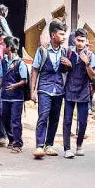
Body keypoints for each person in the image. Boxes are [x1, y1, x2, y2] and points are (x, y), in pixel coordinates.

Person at [30, 20, 70, 159]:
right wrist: (32, 90)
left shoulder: (65, 51)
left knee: (54, 118)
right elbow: (34, 70)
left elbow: (70, 71)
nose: (64, 37)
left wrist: (69, 65)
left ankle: (49, 144)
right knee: (43, 116)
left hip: (59, 89)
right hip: (44, 88)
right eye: (61, 34)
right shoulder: (42, 50)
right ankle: (39, 146)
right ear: (53, 35)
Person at [62, 29, 95, 158]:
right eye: (78, 40)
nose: (80, 43)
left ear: (86, 41)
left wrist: (86, 62)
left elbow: (93, 76)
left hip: (84, 91)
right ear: (74, 39)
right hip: (70, 89)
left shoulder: (90, 54)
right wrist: (67, 65)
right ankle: (67, 148)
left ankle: (79, 144)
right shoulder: (68, 52)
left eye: (83, 41)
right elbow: (62, 69)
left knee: (82, 122)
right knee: (67, 120)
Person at [0, 36, 27, 153]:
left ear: (9, 47)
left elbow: (24, 80)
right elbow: (1, 77)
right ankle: (11, 139)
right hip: (5, 96)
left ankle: (18, 143)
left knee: (15, 121)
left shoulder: (20, 63)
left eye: (4, 45)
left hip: (17, 97)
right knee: (5, 118)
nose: (2, 47)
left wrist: (14, 86)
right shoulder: (4, 62)